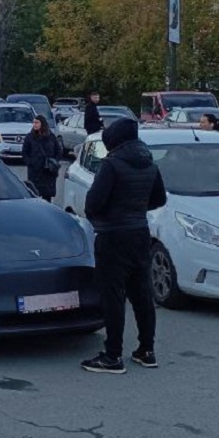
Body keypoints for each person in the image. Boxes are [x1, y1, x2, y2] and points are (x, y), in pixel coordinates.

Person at [80, 118, 167, 374]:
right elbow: (159, 198)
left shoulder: (112, 164)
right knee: (142, 294)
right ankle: (146, 350)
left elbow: (94, 203)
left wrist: (106, 217)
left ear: (113, 140)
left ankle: (112, 355)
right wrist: (136, 210)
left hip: (112, 235)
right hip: (139, 232)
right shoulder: (149, 162)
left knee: (113, 295)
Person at [22, 115, 62, 202]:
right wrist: (30, 162)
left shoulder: (51, 137)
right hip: (35, 172)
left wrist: (54, 162)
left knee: (47, 196)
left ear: (42, 124)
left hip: (48, 171)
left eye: (37, 122)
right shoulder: (30, 137)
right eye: (34, 123)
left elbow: (58, 150)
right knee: (34, 194)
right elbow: (25, 152)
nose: (35, 125)